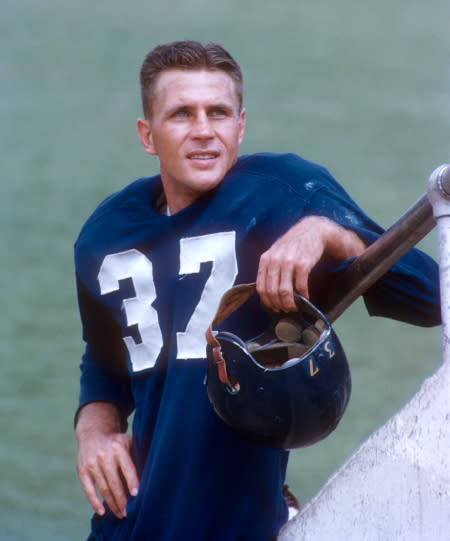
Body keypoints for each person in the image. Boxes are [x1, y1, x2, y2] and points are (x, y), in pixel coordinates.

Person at [74, 40, 441, 541]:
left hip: (240, 526)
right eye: (182, 114)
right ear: (148, 134)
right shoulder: (106, 234)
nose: (204, 130)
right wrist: (93, 430)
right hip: (126, 524)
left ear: (240, 125)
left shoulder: (286, 193)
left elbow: (432, 297)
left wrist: (329, 235)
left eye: (218, 113)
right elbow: (104, 360)